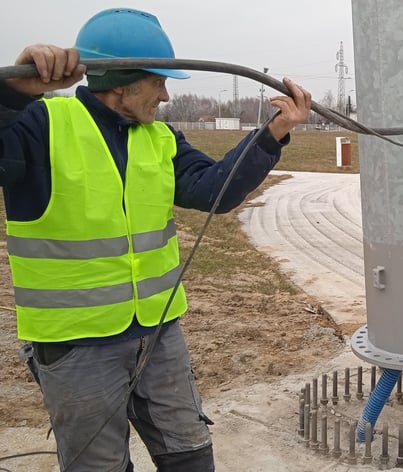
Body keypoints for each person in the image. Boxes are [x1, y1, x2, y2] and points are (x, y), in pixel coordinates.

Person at [0, 8, 311, 471]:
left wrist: (271, 135)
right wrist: (8, 96)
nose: (166, 95)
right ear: (123, 81)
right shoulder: (39, 127)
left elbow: (214, 190)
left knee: (189, 454)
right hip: (77, 346)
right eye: (158, 81)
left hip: (158, 335)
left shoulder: (160, 138)